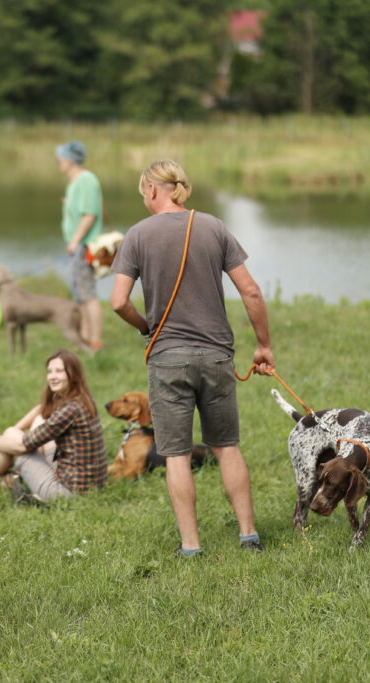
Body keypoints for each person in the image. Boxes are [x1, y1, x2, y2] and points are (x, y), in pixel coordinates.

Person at [109, 159, 275, 557]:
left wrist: (146, 326)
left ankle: (191, 545)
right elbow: (251, 292)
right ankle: (248, 535)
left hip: (168, 359)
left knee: (177, 455)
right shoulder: (214, 226)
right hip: (217, 355)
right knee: (227, 446)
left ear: (152, 189)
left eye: (142, 193)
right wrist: (263, 346)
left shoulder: (137, 235)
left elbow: (117, 302)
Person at [0, 349, 107, 502]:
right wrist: (11, 433)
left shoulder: (70, 409)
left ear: (73, 374)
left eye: (59, 371)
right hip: (91, 485)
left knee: (15, 439)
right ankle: (5, 478)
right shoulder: (83, 399)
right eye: (50, 371)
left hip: (65, 492)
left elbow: (23, 447)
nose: (52, 376)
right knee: (36, 422)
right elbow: (41, 411)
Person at [57, 141, 105, 350]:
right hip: (77, 246)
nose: (57, 163)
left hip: (84, 246)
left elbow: (90, 214)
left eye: (59, 158)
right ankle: (85, 337)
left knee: (88, 295)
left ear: (69, 159)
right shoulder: (75, 182)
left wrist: (75, 241)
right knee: (80, 295)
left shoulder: (86, 180)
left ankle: (95, 341)